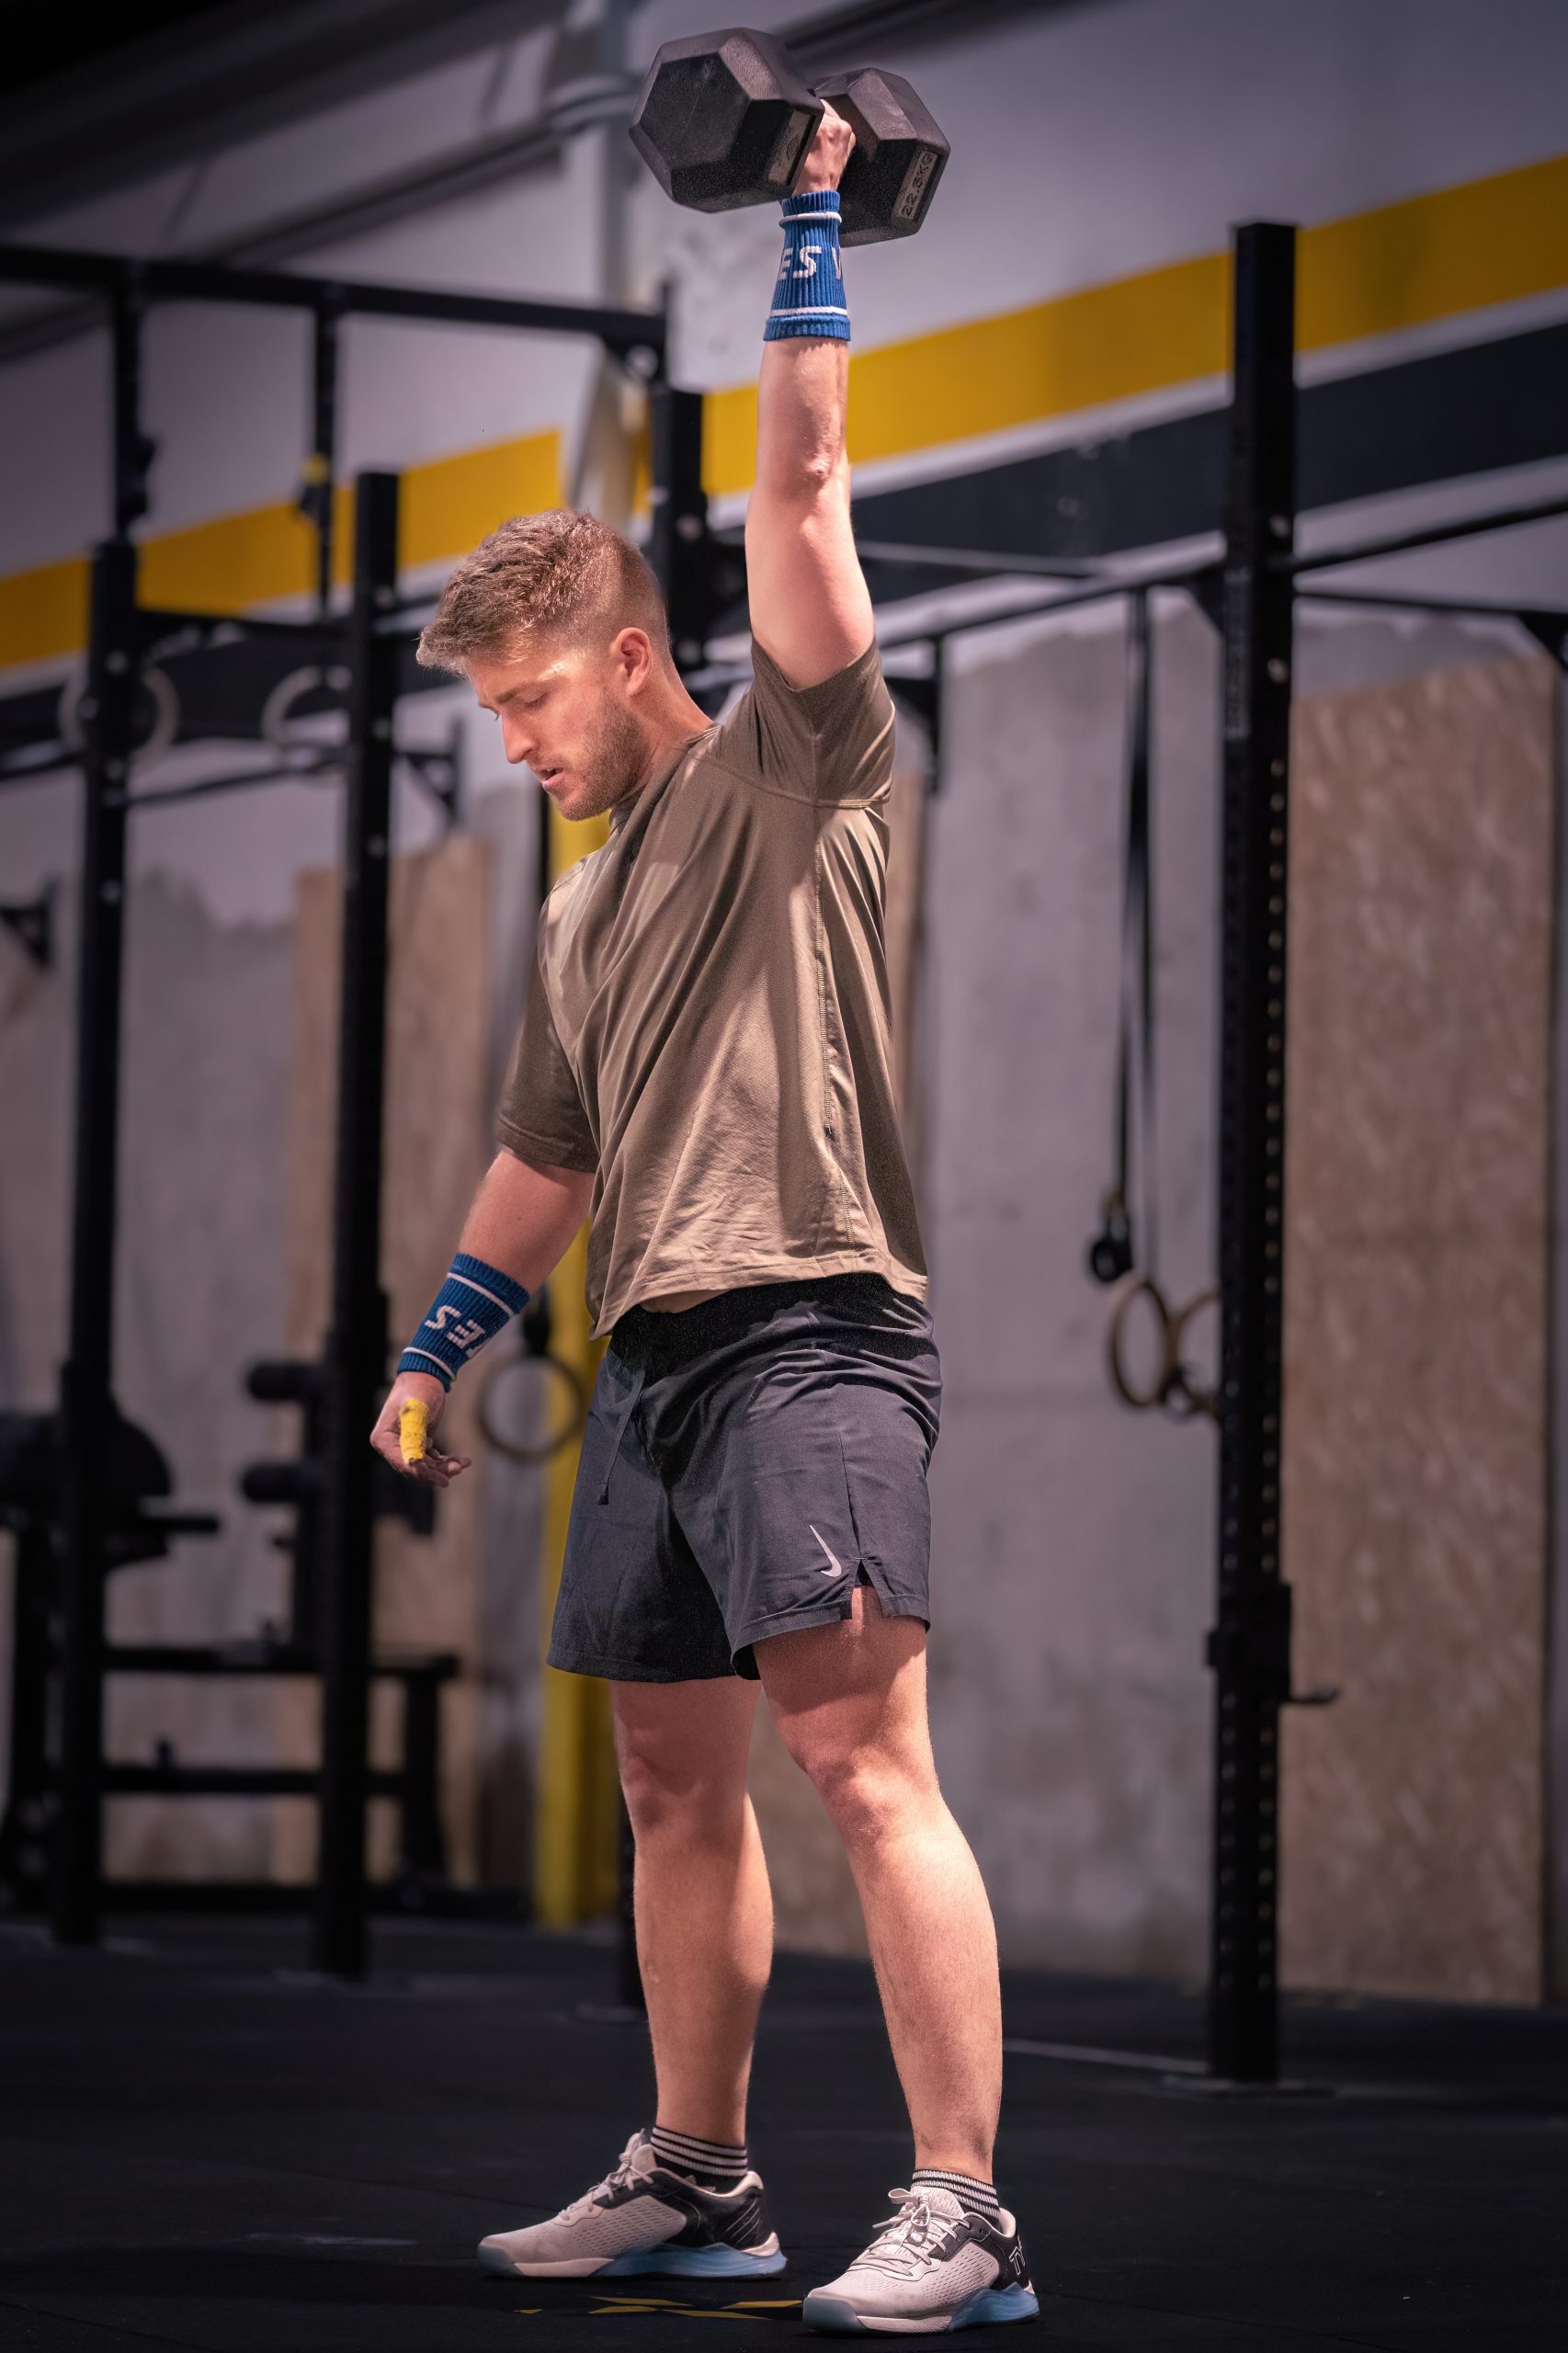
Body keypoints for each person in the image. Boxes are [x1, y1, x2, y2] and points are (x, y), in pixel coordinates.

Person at [370, 103, 1037, 2339]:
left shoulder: (796, 769)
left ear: (638, 660)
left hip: (816, 1325)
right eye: (491, 717)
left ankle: (962, 2203)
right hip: (651, 1359)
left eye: (534, 700)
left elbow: (806, 492)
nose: (518, 744)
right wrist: (433, 1343)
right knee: (673, 1783)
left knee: (859, 1757)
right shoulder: (578, 917)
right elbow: (544, 1154)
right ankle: (700, 2173)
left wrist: (812, 215)